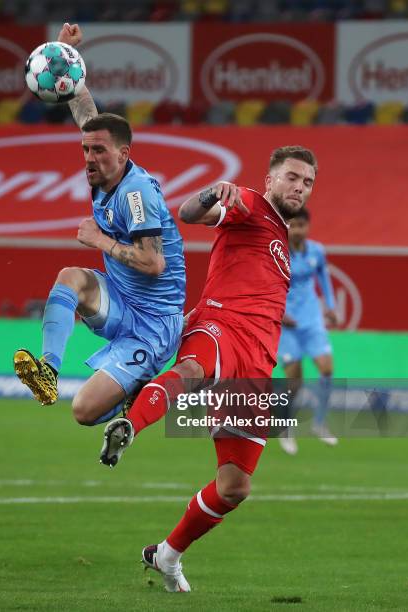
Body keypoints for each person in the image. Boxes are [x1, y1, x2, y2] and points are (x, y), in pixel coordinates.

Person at [99, 146, 318, 592]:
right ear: (270, 178)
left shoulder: (280, 235)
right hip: (220, 324)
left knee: (235, 485)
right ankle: (132, 423)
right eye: (292, 177)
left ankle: (167, 554)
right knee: (195, 369)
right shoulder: (251, 204)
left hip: (256, 363)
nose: (299, 187)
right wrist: (214, 193)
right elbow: (189, 212)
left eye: (307, 182)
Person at [14, 23, 186, 426]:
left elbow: (154, 263)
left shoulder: (134, 194)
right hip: (122, 303)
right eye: (85, 150)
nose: (89, 158)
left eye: (99, 151)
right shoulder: (106, 171)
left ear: (123, 154)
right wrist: (65, 58)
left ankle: (137, 393)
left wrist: (100, 240)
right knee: (70, 277)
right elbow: (86, 113)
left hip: (154, 324)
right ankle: (48, 373)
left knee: (84, 413)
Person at [277, 208, 338, 455]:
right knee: (295, 382)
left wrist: (331, 307)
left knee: (327, 368)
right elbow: (265, 285)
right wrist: (279, 313)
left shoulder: (316, 251)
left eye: (302, 225)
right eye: (294, 225)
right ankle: (286, 428)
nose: (298, 230)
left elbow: (323, 277)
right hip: (287, 325)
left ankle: (319, 423)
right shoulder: (277, 253)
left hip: (311, 320)